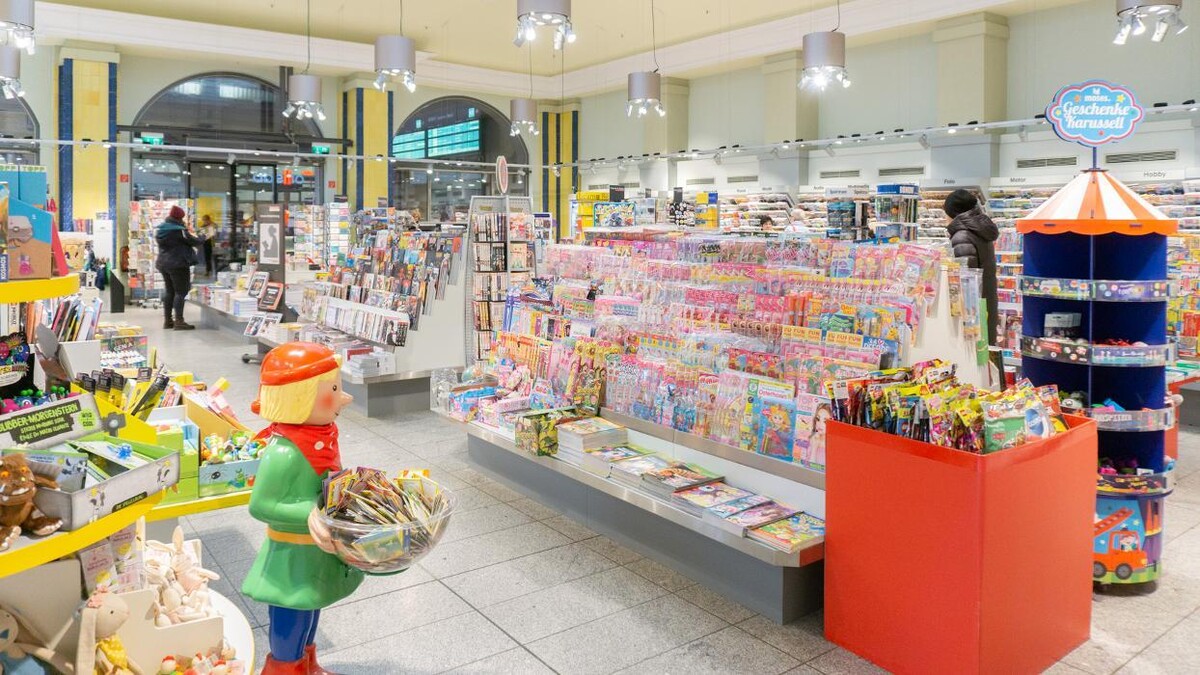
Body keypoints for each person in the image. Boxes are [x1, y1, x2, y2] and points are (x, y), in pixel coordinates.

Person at [242, 342, 361, 675]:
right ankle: (284, 669)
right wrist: (311, 511)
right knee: (292, 609)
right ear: (300, 396)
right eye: (333, 389)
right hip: (290, 554)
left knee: (313, 605)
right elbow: (261, 504)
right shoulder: (284, 452)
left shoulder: (321, 436)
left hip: (316, 547)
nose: (343, 398)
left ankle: (308, 665)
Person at [944, 189, 999, 346]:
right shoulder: (980, 230)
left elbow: (966, 281)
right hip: (986, 303)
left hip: (972, 310)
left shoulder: (962, 236)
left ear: (952, 213)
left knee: (973, 355)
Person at [155, 205, 199, 330]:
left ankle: (168, 320)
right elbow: (193, 241)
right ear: (179, 217)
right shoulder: (178, 230)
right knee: (181, 291)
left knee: (170, 291)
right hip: (177, 264)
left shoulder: (162, 229)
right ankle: (179, 321)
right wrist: (203, 237)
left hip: (163, 264)